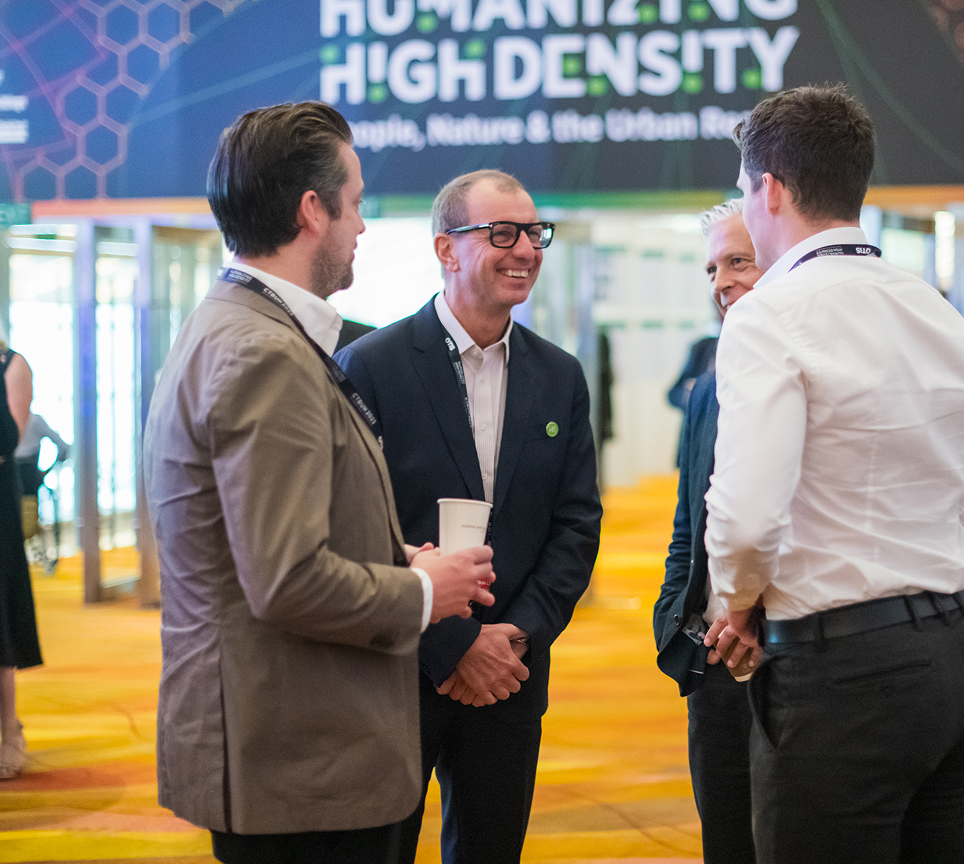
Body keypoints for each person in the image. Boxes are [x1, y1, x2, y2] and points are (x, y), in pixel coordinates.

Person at [143, 101, 496, 864]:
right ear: (313, 210)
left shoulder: (244, 329)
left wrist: (400, 558)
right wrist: (427, 591)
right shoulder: (261, 353)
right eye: (357, 202)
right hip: (297, 766)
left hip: (290, 755)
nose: (362, 226)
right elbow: (286, 577)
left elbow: (267, 536)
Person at [702, 85, 964, 864]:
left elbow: (746, 519)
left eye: (747, 192)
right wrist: (904, 545)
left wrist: (736, 605)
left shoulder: (769, 315)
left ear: (770, 191)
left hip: (842, 676)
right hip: (956, 655)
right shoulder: (933, 308)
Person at [335, 169, 603, 864]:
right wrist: (452, 646)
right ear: (447, 250)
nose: (526, 250)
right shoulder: (369, 366)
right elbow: (355, 526)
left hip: (512, 671)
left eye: (535, 234)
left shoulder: (560, 375)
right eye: (503, 234)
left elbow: (576, 523)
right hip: (401, 667)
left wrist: (515, 638)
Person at [653, 197, 762, 864]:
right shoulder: (710, 380)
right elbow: (686, 521)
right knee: (725, 839)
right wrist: (675, 620)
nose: (721, 281)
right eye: (712, 267)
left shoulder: (815, 372)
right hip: (712, 660)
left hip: (794, 661)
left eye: (738, 261)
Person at [0, 330, 40, 781]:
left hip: (0, 505)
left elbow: (9, 436)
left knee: (2, 619)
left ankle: (10, 730)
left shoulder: (12, 363)